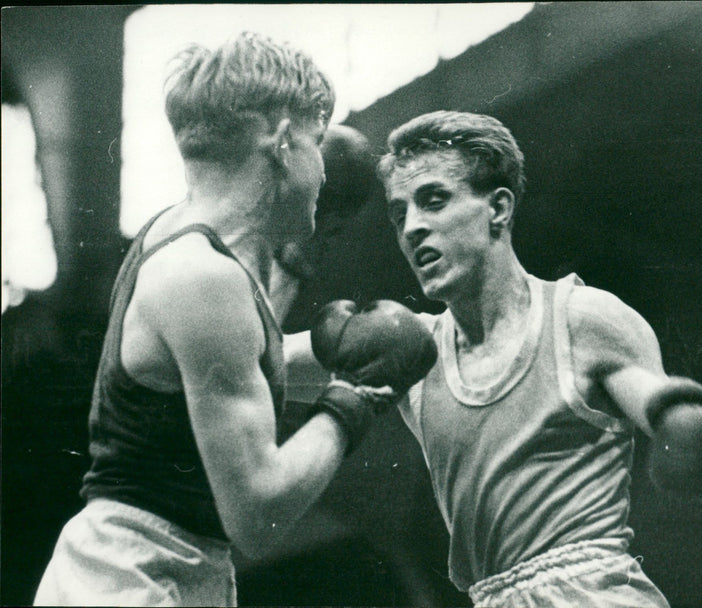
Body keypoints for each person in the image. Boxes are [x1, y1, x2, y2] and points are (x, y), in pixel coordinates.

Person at [33, 32, 435, 607]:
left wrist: (344, 347)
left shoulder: (182, 237)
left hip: (149, 570)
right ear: (284, 140)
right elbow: (259, 511)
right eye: (317, 144)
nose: (322, 169)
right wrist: (354, 397)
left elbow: (239, 371)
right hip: (136, 580)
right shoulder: (203, 278)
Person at [368, 110, 702, 607]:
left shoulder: (581, 320)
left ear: (498, 209)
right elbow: (266, 356)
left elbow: (667, 413)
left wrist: (687, 425)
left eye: (433, 200)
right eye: (400, 214)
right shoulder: (410, 349)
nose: (413, 227)